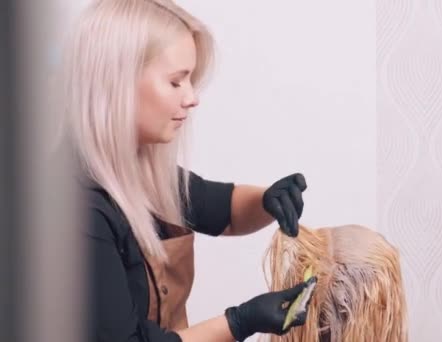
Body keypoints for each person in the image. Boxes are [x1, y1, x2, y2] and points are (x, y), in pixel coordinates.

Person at [57, 0, 315, 341]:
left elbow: (223, 210)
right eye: (176, 82)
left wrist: (268, 200)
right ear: (115, 84)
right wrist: (240, 322)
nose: (192, 98)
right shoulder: (80, 211)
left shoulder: (137, 173)